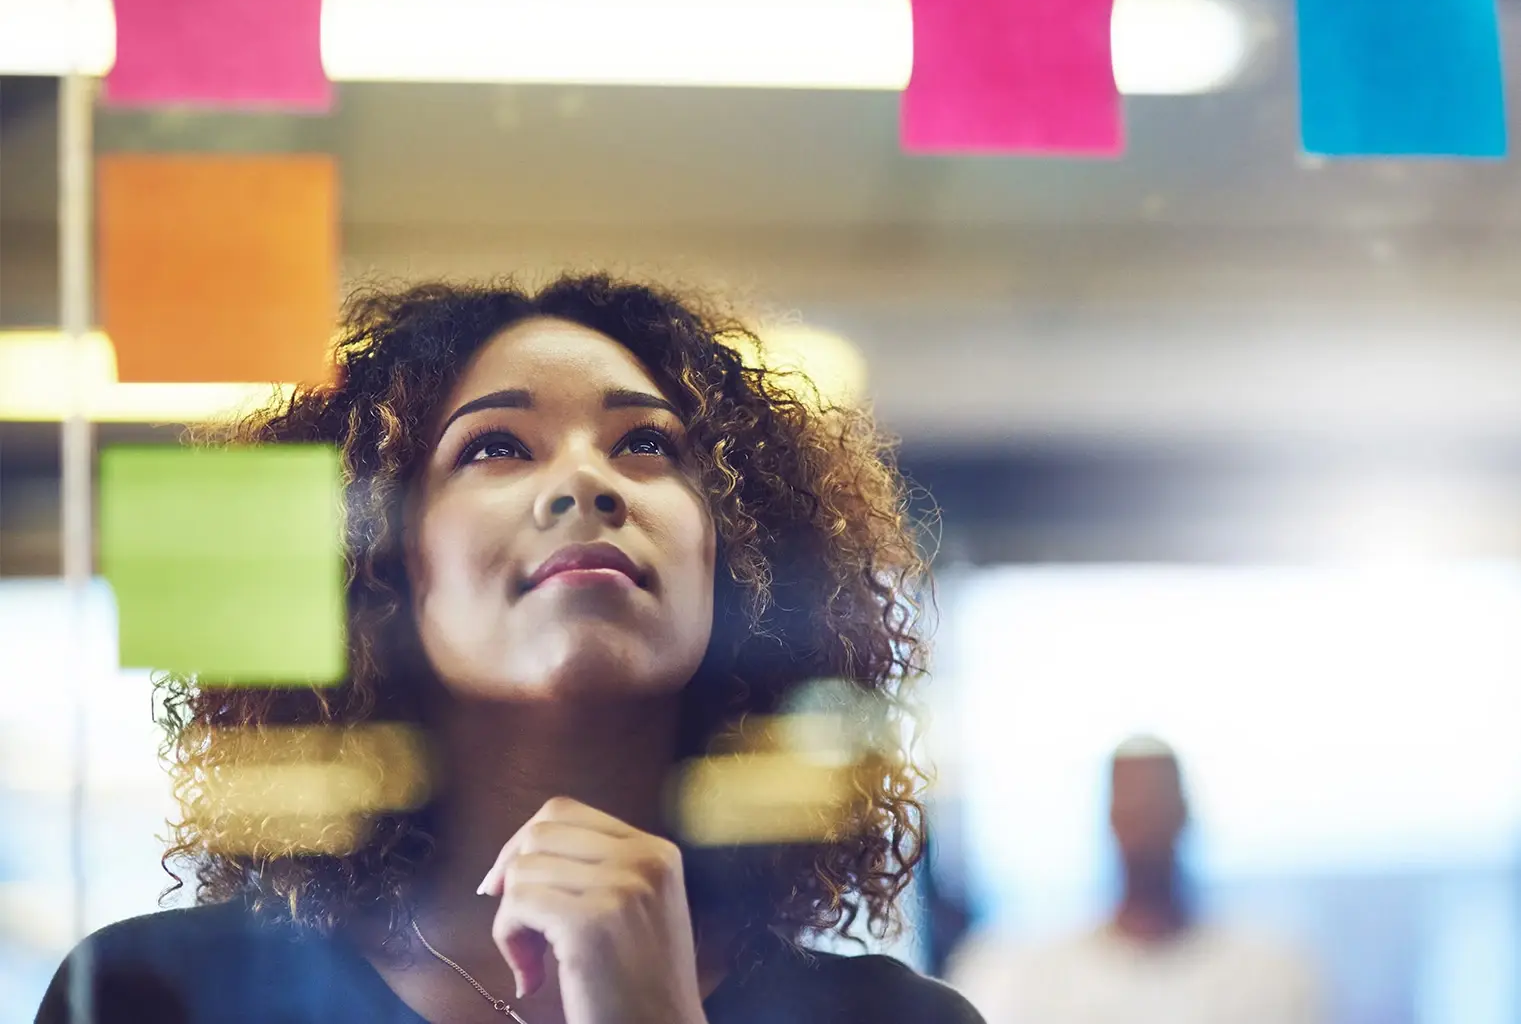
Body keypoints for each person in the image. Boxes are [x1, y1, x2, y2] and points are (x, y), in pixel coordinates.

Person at [36, 274, 982, 1024]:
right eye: (495, 447)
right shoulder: (153, 998)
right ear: (384, 567)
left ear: (732, 554)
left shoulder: (896, 1020)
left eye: (646, 444)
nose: (585, 482)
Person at [948, 736, 1321, 1024]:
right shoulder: (1019, 975)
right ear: (1109, 818)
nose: (1143, 823)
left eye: (1156, 804)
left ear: (1183, 814)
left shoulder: (1272, 976)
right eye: (1130, 806)